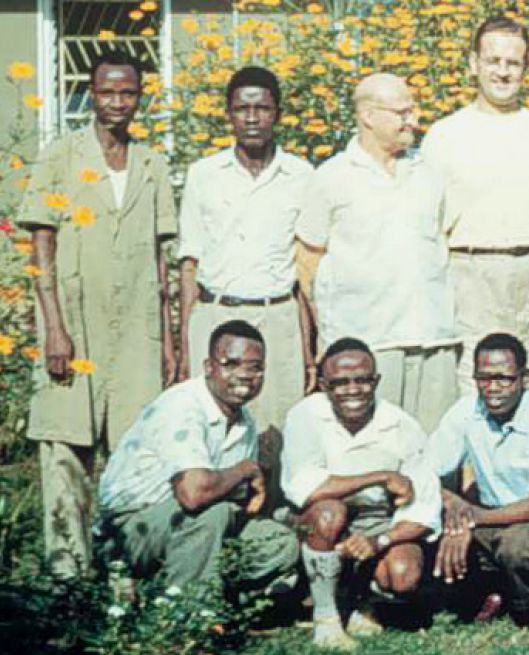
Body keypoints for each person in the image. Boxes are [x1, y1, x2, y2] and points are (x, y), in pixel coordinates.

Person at [18, 50, 177, 578]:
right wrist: (55, 328)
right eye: (106, 92)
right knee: (66, 446)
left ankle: (125, 569)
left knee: (135, 448)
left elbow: (160, 257)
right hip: (76, 323)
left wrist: (171, 341)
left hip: (137, 328)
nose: (116, 103)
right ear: (91, 93)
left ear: (139, 97)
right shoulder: (61, 156)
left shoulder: (151, 163)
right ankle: (67, 575)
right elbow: (41, 243)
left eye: (127, 93)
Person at [296, 73, 458, 433]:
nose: (413, 121)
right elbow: (307, 262)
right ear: (368, 116)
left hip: (434, 339)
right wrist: (328, 333)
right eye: (402, 113)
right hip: (369, 344)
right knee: (372, 450)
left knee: (434, 456)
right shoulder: (331, 177)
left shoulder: (429, 173)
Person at [422, 16, 529, 396]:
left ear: (526, 68)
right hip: (473, 276)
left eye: (513, 63)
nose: (502, 72)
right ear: (474, 64)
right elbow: (428, 227)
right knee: (478, 387)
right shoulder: (444, 135)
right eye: (493, 61)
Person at [96, 321, 298, 591]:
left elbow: (233, 497)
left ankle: (165, 590)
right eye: (230, 364)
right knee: (213, 513)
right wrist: (246, 469)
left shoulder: (244, 421)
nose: (244, 375)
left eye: (255, 367)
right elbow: (193, 495)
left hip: (192, 527)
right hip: (131, 529)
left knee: (280, 543)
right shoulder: (183, 406)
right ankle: (184, 617)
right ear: (208, 367)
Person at [178, 66, 314, 442]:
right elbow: (190, 263)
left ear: (278, 114)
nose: (252, 119)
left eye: (262, 109)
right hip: (216, 313)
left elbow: (304, 272)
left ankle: (274, 503)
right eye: (242, 109)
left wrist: (306, 347)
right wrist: (186, 342)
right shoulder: (204, 174)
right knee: (212, 426)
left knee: (278, 431)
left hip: (278, 318)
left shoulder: (301, 176)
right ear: (229, 115)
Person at [282, 337, 443, 649]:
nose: (352, 390)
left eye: (362, 380)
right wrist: (382, 476)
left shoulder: (401, 425)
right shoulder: (305, 415)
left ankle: (364, 602)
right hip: (303, 523)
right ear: (323, 384)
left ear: (376, 380)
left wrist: (378, 541)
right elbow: (305, 488)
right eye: (340, 382)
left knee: (403, 574)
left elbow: (424, 510)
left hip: (377, 523)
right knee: (328, 513)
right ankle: (326, 618)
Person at [425, 333, 529, 625]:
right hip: (492, 518)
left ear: (524, 377)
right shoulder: (466, 410)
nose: (493, 388)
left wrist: (471, 519)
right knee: (431, 529)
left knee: (518, 545)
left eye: (504, 378)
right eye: (484, 378)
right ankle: (493, 591)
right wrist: (454, 507)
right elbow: (423, 473)